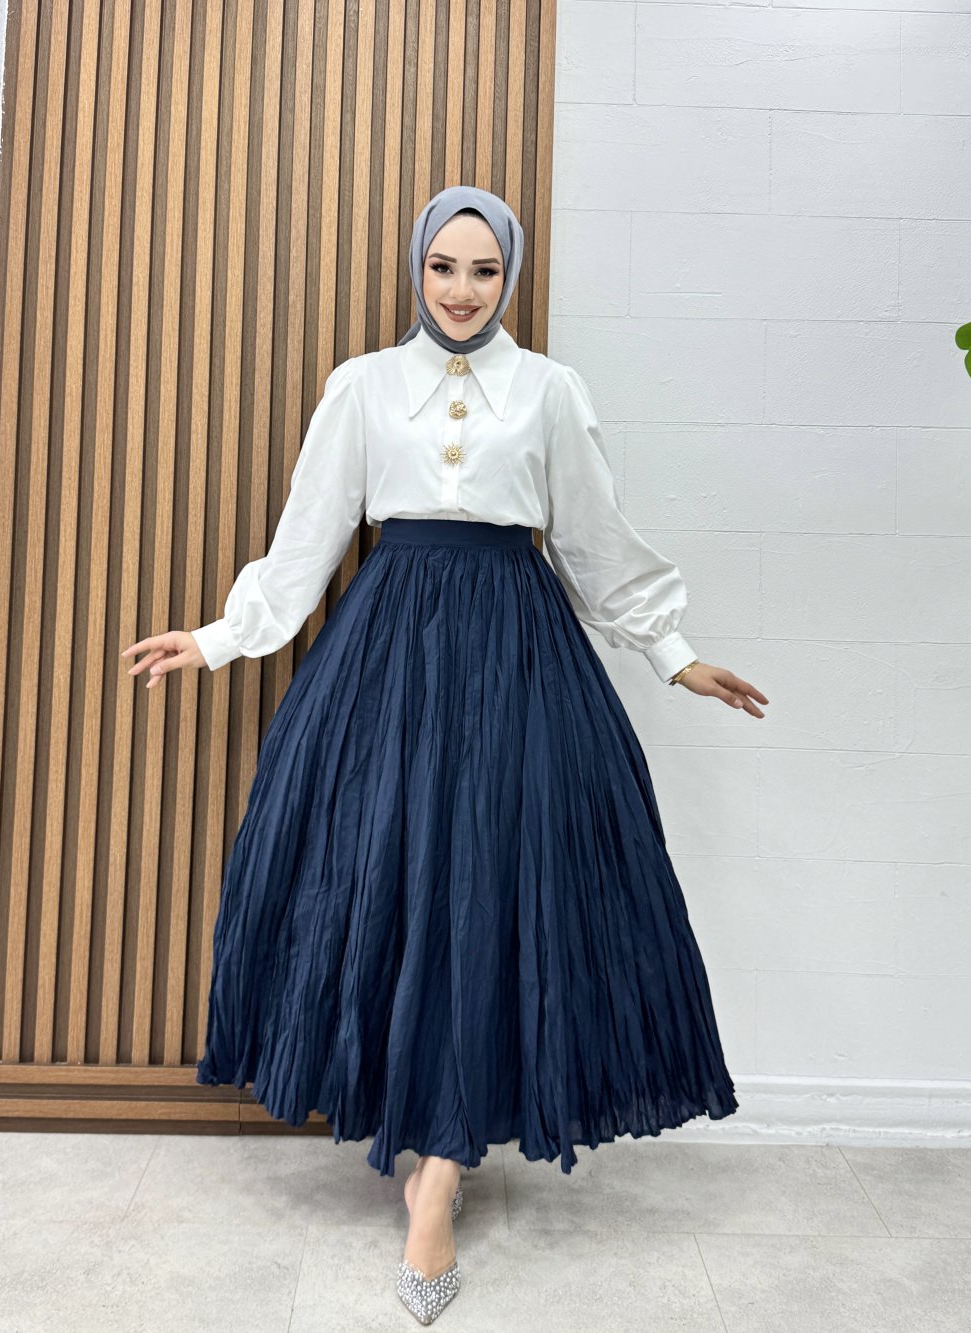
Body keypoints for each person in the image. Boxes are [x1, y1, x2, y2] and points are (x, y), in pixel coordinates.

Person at [121, 184, 767, 1325]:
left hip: (519, 654)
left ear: (507, 275)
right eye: (443, 267)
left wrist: (674, 654)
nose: (462, 291)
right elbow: (308, 538)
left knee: (493, 894)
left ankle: (440, 1175)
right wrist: (217, 638)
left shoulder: (550, 391)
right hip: (389, 651)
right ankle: (429, 1149)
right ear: (416, 269)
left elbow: (594, 541)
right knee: (396, 888)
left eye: (484, 270)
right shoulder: (363, 385)